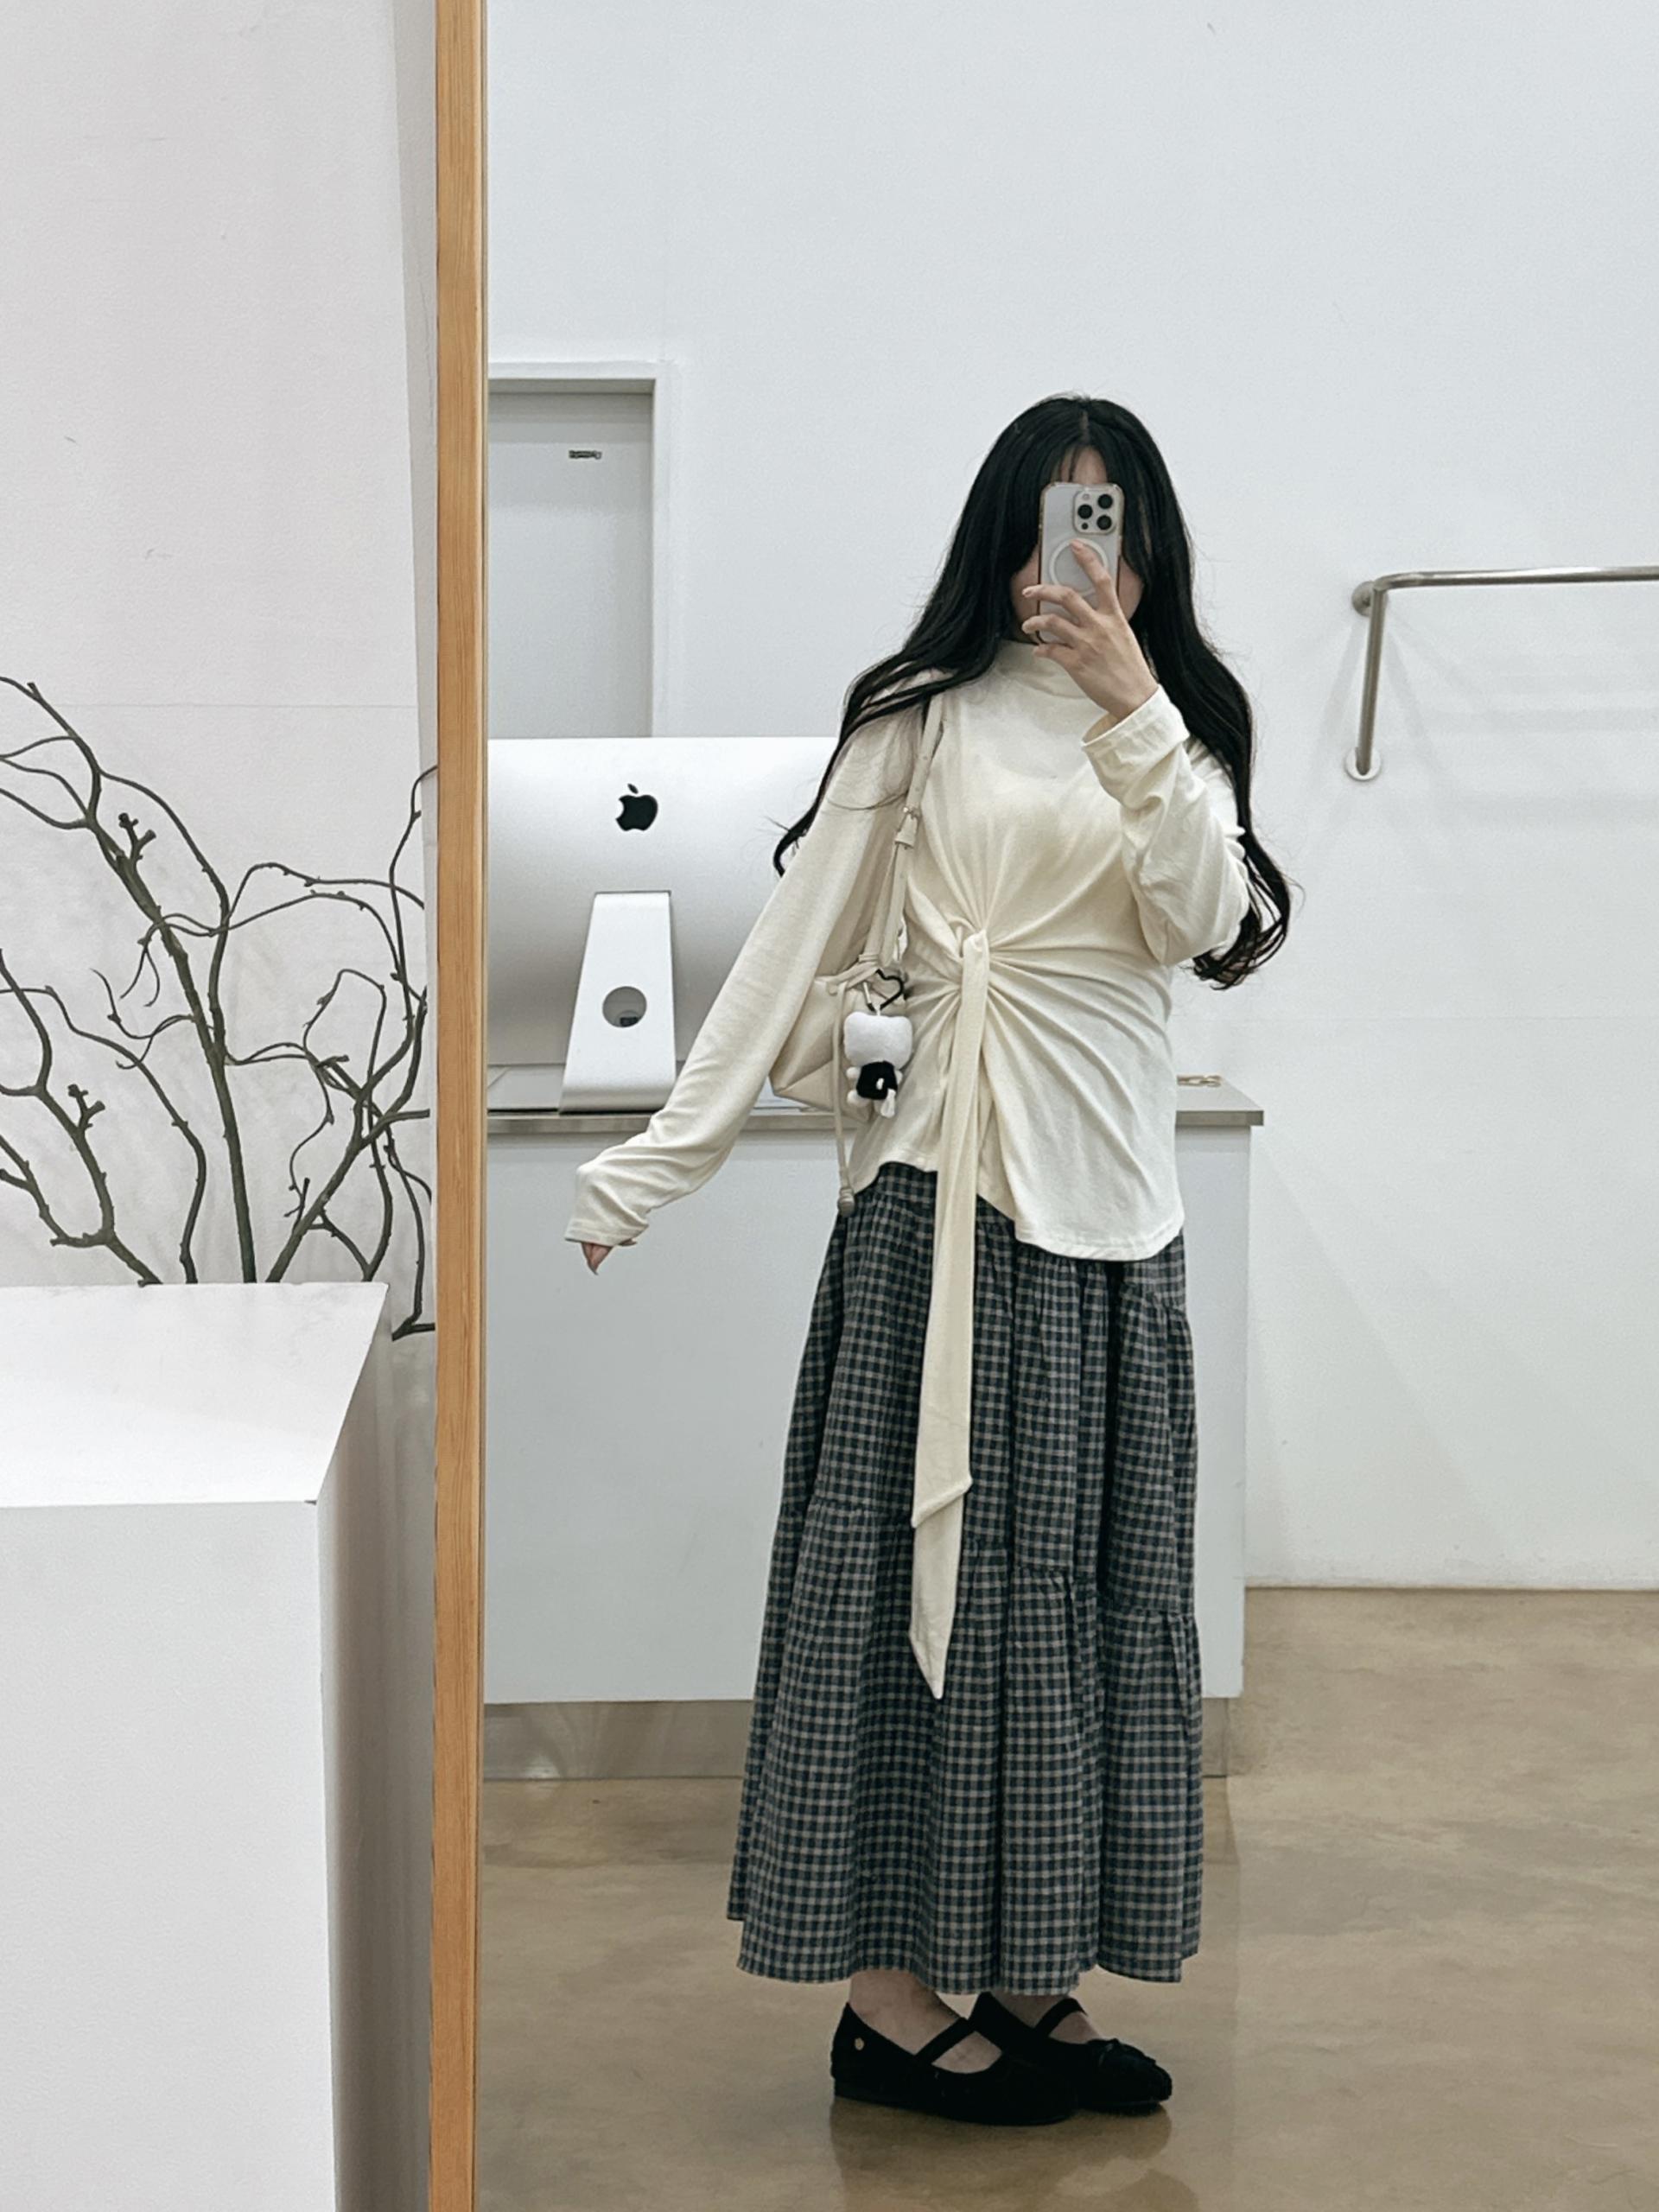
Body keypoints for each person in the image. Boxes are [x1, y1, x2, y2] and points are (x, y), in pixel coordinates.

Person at [565, 394, 1293, 2127]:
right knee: (905, 1603)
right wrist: (654, 1164)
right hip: (942, 1204)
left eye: (1105, 521)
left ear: (1146, 543)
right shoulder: (919, 719)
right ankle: (887, 2004)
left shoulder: (1184, 722)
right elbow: (790, 944)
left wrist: (1133, 708)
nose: (1077, 558)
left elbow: (1203, 921)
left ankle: (1033, 1971)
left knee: (1089, 1607)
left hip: (1117, 1222)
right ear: (1001, 537)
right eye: (1051, 519)